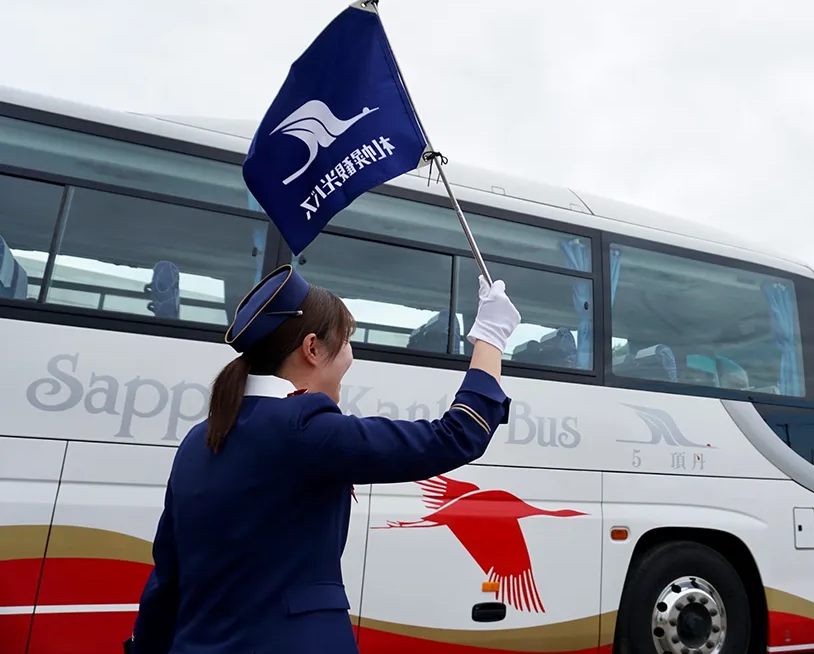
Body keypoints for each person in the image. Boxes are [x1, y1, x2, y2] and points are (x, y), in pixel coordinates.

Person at [126, 264, 521, 654]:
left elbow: (167, 578)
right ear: (312, 349)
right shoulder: (303, 425)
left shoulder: (199, 439)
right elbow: (456, 435)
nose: (351, 356)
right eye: (347, 341)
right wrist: (490, 339)